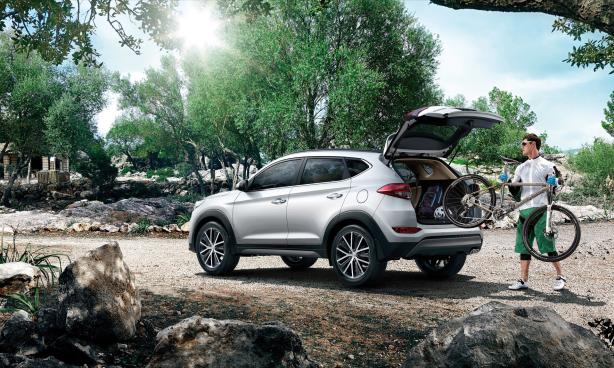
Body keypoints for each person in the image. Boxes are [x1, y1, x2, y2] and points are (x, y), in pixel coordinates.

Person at [498, 133, 566, 291]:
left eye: (524, 144)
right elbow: (515, 188)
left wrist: (554, 182)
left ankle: (560, 276)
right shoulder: (521, 167)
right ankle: (523, 280)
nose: (521, 147)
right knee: (523, 246)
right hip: (524, 210)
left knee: (547, 243)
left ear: (533, 144)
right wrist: (506, 181)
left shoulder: (547, 165)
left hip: (541, 209)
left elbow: (555, 185)